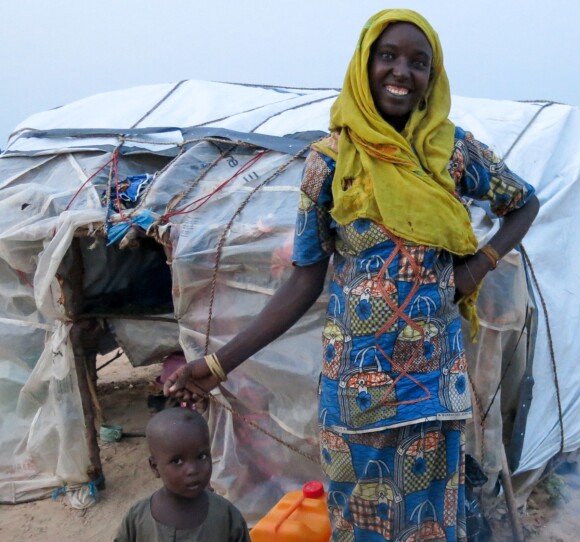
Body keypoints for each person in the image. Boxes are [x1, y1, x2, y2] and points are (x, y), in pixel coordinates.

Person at [165, 8, 539, 541]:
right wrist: (220, 363)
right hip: (355, 393)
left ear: (433, 76)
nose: (401, 71)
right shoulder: (329, 163)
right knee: (362, 526)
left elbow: (524, 203)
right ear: (365, 66)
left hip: (432, 385)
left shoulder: (451, 153)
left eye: (418, 61)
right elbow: (304, 280)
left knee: (429, 525)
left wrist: (477, 267)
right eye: (387, 56)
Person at [113, 407, 251, 542]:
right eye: (177, 461)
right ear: (155, 467)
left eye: (202, 456)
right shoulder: (137, 518)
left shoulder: (226, 516)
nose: (192, 470)